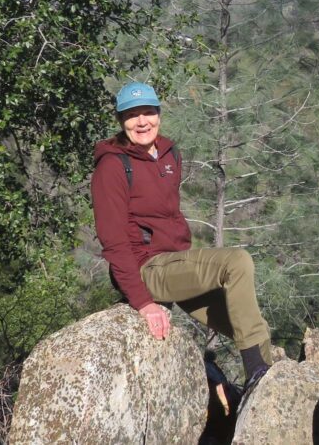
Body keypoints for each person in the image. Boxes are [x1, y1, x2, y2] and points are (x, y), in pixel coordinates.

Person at [91, 81, 273, 393]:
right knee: (237, 262)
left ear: (159, 114)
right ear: (121, 121)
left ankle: (266, 394)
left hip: (175, 264)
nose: (142, 121)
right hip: (148, 269)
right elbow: (115, 244)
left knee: (255, 330)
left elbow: (168, 216)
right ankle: (257, 374)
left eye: (148, 112)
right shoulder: (112, 166)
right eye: (132, 115)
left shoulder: (168, 153)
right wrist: (145, 303)